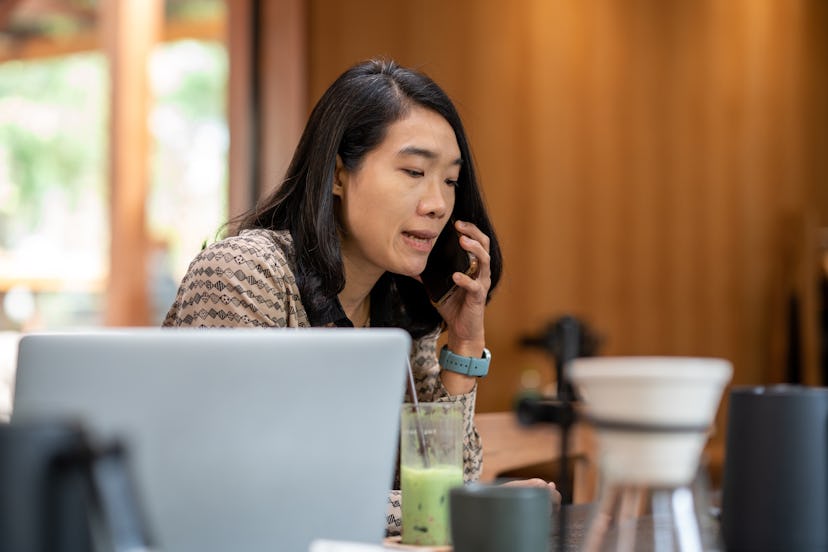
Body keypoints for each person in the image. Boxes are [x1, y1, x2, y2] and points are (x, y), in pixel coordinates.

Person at [163, 58, 557, 535]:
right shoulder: (245, 274)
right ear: (337, 175)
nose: (437, 203)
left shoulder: (396, 307)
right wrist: (458, 507)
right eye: (413, 171)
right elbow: (243, 492)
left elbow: (443, 480)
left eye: (450, 180)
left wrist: (466, 346)